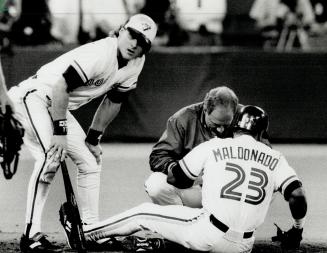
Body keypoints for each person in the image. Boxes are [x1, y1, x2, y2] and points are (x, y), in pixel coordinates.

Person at [61, 105, 307, 253]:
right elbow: (297, 196)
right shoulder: (276, 157)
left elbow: (177, 178)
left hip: (207, 232)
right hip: (243, 246)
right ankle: (161, 244)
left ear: (235, 127)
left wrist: (201, 177)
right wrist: (296, 230)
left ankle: (88, 233)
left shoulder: (215, 146)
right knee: (192, 227)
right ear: (262, 132)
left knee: (143, 213)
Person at [7, 13, 157, 252]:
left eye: (143, 42)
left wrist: (93, 138)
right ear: (121, 30)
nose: (135, 44)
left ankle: (91, 231)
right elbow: (60, 87)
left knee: (90, 161)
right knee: (50, 156)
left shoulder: (136, 63)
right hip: (33, 97)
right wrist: (59, 132)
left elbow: (114, 101)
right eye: (133, 35)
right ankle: (30, 235)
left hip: (57, 105)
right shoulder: (101, 53)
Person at [145, 86, 239, 208]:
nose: (221, 130)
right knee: (156, 184)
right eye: (216, 124)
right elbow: (158, 156)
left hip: (230, 189)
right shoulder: (183, 119)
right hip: (195, 188)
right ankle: (182, 221)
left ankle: (238, 224)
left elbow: (264, 155)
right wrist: (180, 173)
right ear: (205, 109)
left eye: (226, 125)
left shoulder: (245, 120)